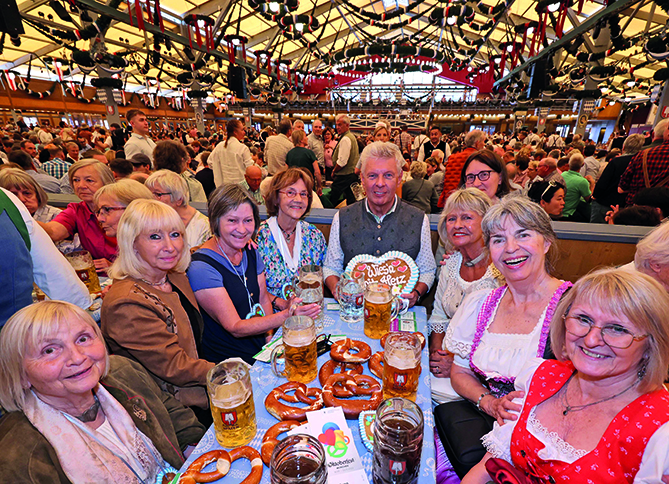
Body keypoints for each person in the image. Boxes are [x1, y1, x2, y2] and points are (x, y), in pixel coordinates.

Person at [463, 267, 669, 483]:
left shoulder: (660, 432)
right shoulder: (540, 376)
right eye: (583, 319)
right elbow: (488, 465)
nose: (591, 340)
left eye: (617, 329)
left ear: (651, 345)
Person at [437, 196, 571, 479]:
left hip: (541, 447)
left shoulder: (573, 310)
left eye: (523, 234)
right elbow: (460, 371)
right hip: (482, 427)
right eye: (498, 239)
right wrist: (487, 401)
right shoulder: (482, 302)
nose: (510, 248)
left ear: (546, 242)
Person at [0, 301, 206, 483]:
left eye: (82, 339)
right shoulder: (15, 454)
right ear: (20, 375)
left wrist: (196, 451)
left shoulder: (123, 371)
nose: (78, 357)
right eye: (49, 350)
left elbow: (172, 413)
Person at [187, 184, 321, 364]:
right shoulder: (202, 267)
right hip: (230, 362)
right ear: (216, 221)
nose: (242, 230)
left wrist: (269, 342)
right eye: (232, 221)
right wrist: (286, 315)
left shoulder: (250, 249)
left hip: (259, 350)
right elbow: (235, 327)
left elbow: (263, 297)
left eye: (248, 220)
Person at [101, 199, 214, 411]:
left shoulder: (174, 276)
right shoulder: (126, 302)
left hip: (201, 390)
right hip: (170, 410)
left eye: (175, 234)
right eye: (155, 237)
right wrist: (227, 371)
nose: (170, 247)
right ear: (132, 243)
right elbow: (175, 366)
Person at [324, 142, 437, 307]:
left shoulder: (419, 219)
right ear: (362, 179)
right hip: (354, 311)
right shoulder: (342, 217)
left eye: (388, 175)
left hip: (399, 312)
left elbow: (427, 270)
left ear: (399, 179)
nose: (380, 183)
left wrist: (416, 293)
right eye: (372, 176)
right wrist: (338, 291)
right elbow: (331, 268)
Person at [428, 188, 504, 404]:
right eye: (451, 218)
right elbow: (439, 316)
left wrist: (457, 364)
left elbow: (499, 339)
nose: (458, 224)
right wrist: (437, 353)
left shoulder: (501, 271)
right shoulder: (450, 264)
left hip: (486, 377)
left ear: (486, 222)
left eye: (467, 217)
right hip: (447, 362)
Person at [0, 187, 91, 328]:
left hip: (16, 328)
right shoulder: (6, 199)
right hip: (16, 327)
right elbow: (53, 272)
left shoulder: (7, 199)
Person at [256, 168, 327, 303]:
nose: (298, 199)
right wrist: (282, 304)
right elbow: (251, 289)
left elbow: (323, 280)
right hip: (271, 318)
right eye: (290, 193)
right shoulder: (258, 237)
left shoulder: (314, 236)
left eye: (304, 194)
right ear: (276, 197)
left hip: (310, 315)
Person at [39, 160, 117, 269]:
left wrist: (116, 268)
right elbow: (52, 231)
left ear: (107, 183)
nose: (81, 186)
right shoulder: (77, 210)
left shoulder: (124, 208)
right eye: (76, 180)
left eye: (89, 180)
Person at [146, 170, 211, 250]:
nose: (151, 199)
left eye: (158, 194)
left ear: (179, 199)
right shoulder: (149, 220)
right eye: (149, 193)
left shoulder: (203, 227)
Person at [590, 133, 646, 223]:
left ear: (623, 147)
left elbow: (603, 183)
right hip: (627, 205)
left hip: (606, 202)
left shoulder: (616, 162)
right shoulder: (642, 163)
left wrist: (595, 196)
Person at [438, 129, 487, 207]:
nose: (484, 144)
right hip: (472, 202)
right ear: (477, 143)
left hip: (451, 201)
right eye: (483, 142)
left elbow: (443, 182)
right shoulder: (481, 159)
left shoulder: (452, 158)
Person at [327, 114, 360, 207]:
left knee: (332, 199)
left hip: (344, 176)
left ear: (347, 125)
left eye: (340, 125)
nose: (337, 127)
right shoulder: (350, 137)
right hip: (351, 175)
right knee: (351, 200)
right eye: (336, 125)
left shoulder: (346, 139)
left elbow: (342, 162)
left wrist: (334, 171)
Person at [209, 119, 253, 186]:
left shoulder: (219, 146)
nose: (244, 132)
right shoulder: (242, 148)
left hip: (224, 187)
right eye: (242, 130)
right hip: (240, 187)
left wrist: (220, 171)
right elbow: (250, 169)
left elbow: (210, 162)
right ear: (235, 132)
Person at [562, 152, 594, 222]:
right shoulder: (582, 182)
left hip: (557, 211)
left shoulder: (563, 174)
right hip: (568, 214)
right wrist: (592, 184)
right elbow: (589, 200)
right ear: (582, 165)